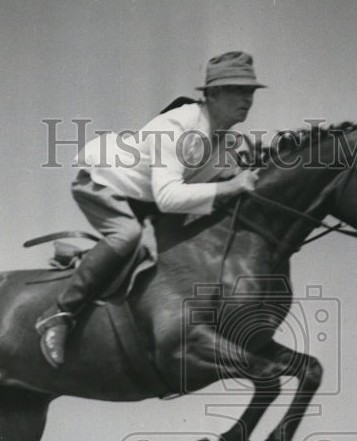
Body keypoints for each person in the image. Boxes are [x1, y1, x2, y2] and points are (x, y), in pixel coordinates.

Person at [36, 51, 266, 368]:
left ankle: (81, 261)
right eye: (238, 90)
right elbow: (169, 197)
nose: (247, 99)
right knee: (126, 235)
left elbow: (215, 183)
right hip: (105, 181)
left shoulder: (226, 141)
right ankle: (59, 315)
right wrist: (230, 185)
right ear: (213, 94)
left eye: (250, 91)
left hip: (146, 196)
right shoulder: (178, 125)